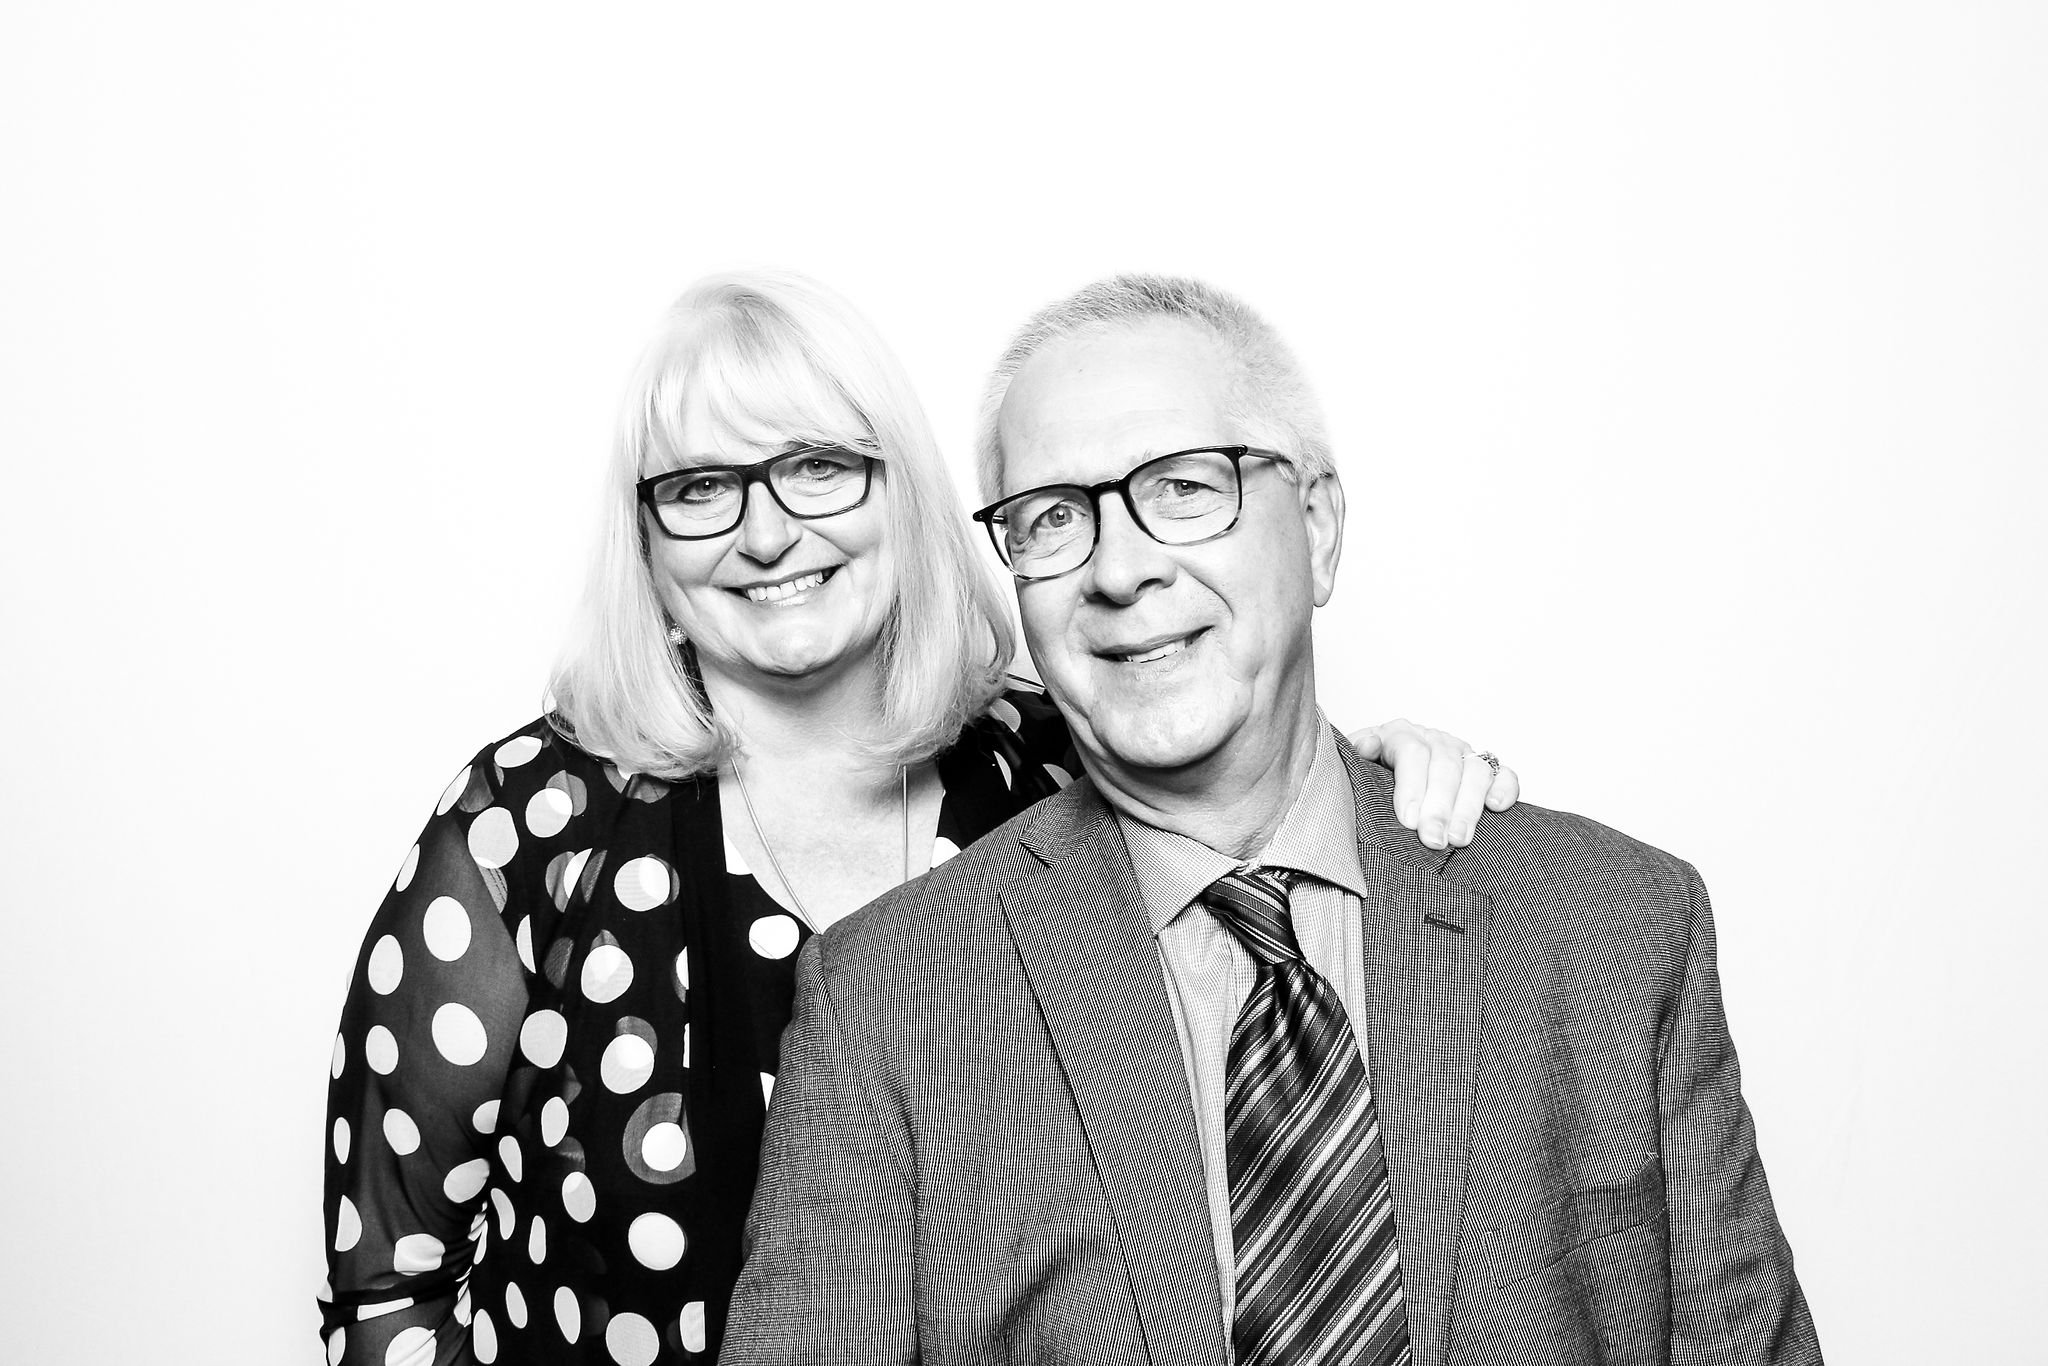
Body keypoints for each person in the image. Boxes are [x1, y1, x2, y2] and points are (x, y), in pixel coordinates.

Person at [319, 269, 1520, 1366]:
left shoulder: (1052, 761)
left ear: (901, 487)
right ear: (645, 541)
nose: (766, 531)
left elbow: (1252, 808)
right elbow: (385, 1284)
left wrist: (1388, 772)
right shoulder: (530, 826)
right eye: (700, 489)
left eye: (817, 467)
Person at [724, 275, 1821, 1366]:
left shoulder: (1619, 923)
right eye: (1051, 518)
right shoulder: (885, 997)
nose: (1119, 567)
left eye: (1185, 487)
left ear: (1318, 527)